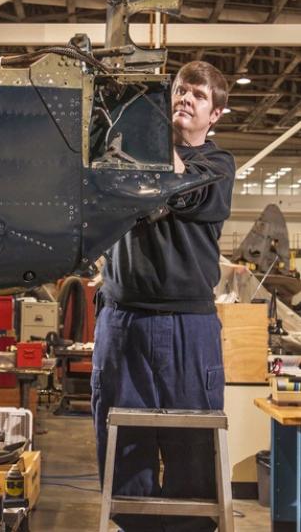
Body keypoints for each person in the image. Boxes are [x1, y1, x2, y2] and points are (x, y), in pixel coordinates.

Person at [91, 61, 236, 532]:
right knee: (122, 442)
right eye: (179, 90)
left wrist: (148, 126)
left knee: (191, 446)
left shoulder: (215, 166)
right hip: (123, 321)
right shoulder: (124, 163)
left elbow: (183, 191)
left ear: (215, 113)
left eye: (197, 95)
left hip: (186, 326)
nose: (184, 99)